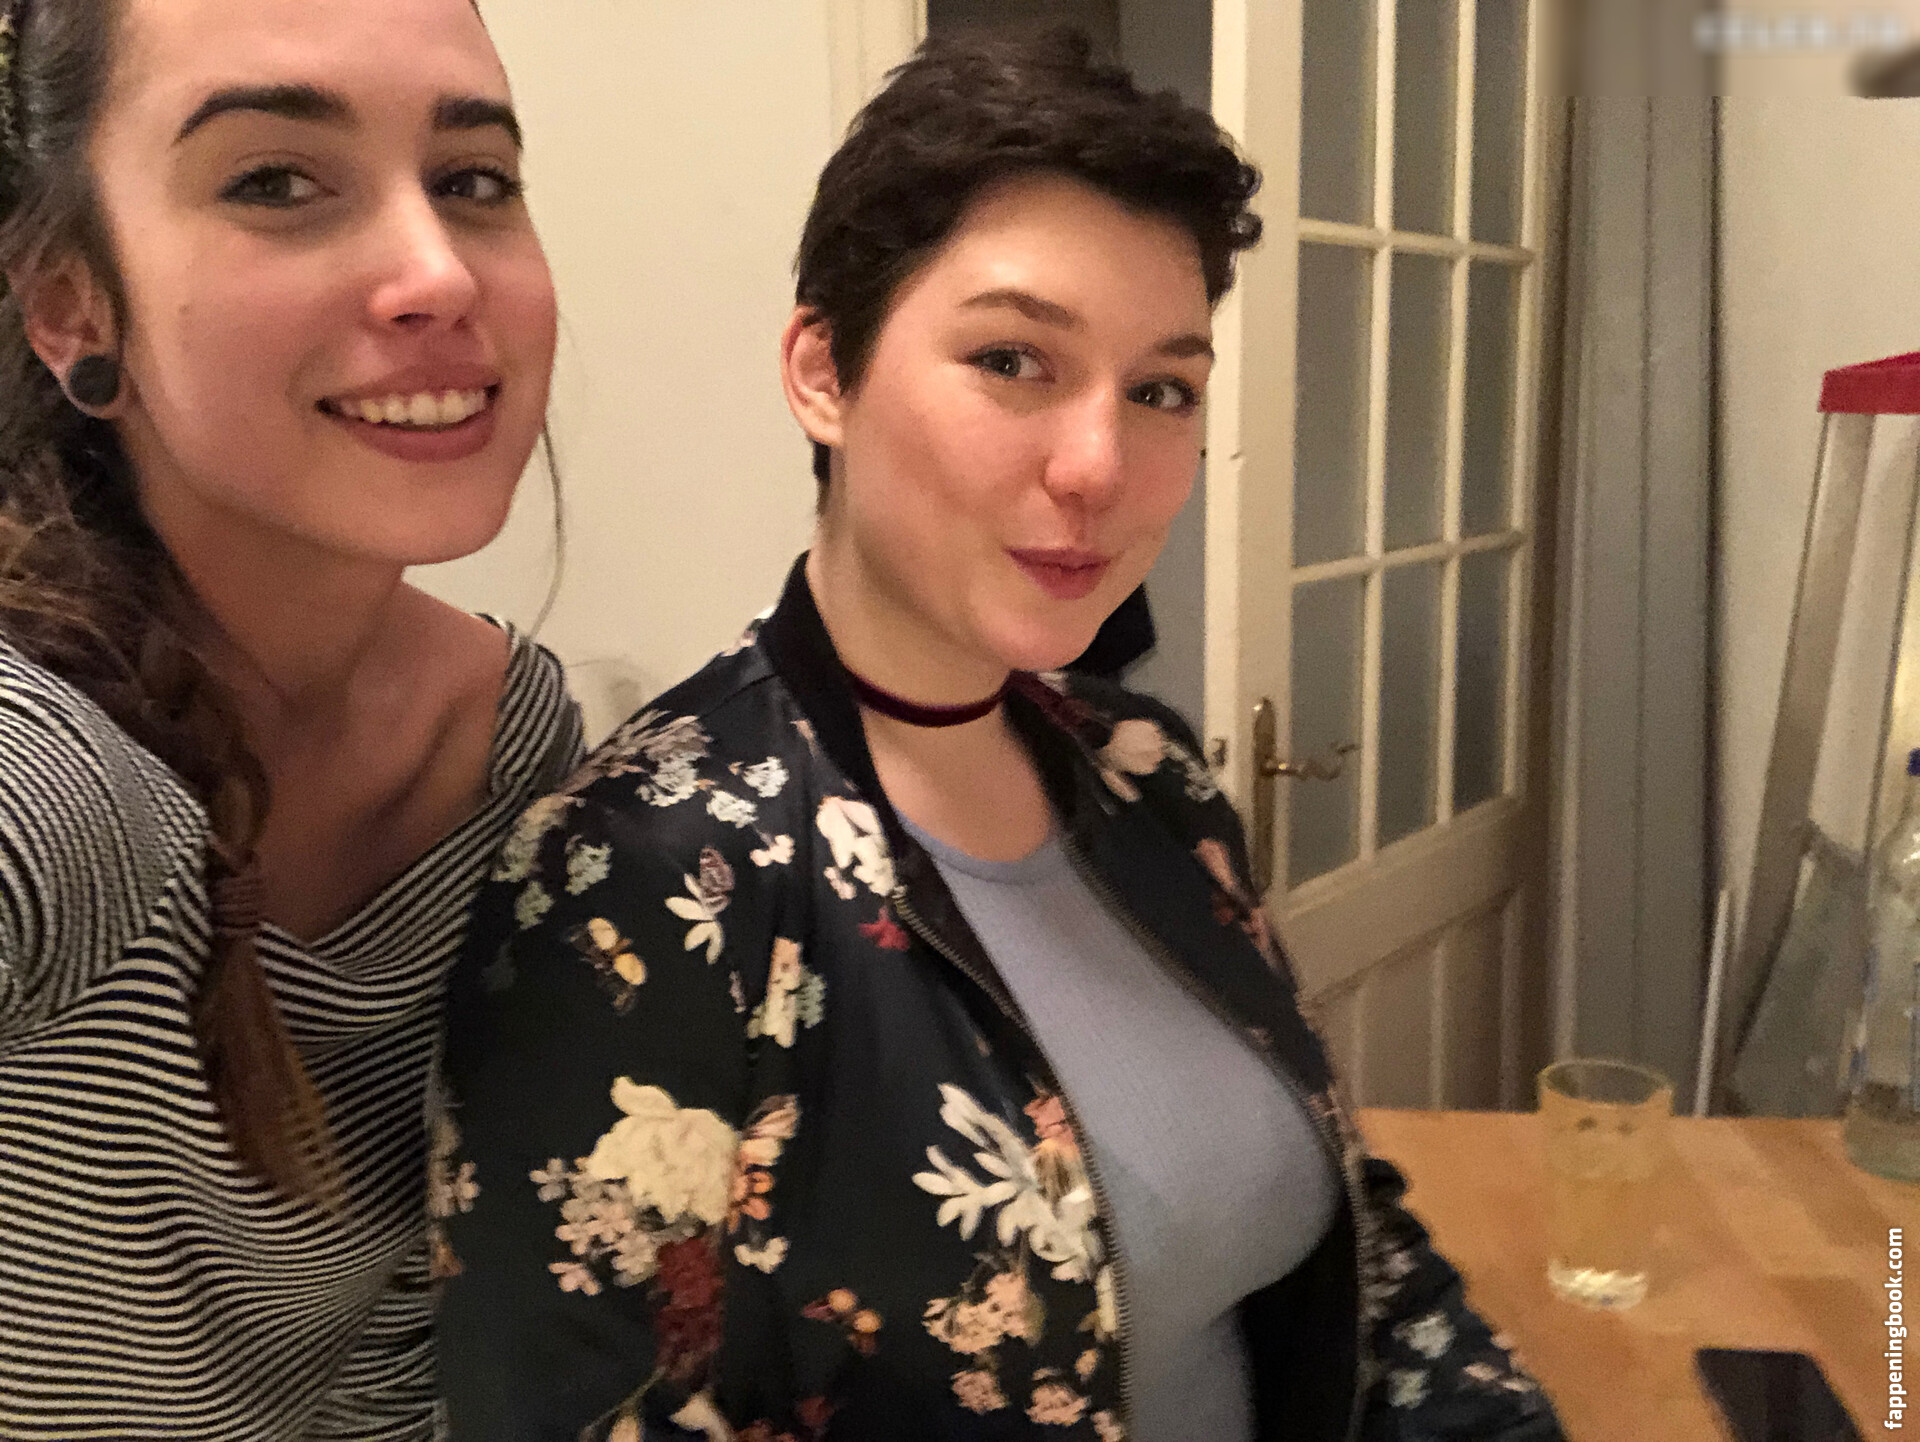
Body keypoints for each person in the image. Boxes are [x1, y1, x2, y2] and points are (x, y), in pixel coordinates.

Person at [436, 32, 1565, 1442]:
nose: (1099, 465)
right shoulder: (646, 877)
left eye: (1161, 388)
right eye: (1014, 360)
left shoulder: (1148, 777)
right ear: (822, 371)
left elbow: (1356, 1245)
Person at [0, 0, 579, 1434]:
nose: (438, 272)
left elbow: (398, 1343)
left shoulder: (507, 752)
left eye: (474, 179)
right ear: (71, 304)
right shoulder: (38, 772)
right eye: (275, 181)